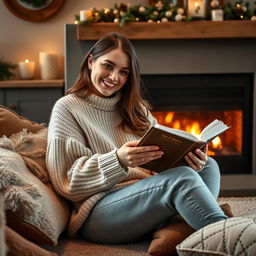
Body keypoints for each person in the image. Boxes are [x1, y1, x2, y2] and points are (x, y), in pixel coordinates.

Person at [46, 32, 228, 246]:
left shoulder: (135, 108)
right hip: (99, 213)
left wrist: (190, 158)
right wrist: (118, 160)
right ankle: (229, 238)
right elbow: (67, 182)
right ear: (90, 61)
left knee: (208, 166)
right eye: (108, 66)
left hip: (144, 197)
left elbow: (160, 158)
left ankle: (181, 225)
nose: (114, 77)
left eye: (123, 72)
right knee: (181, 179)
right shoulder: (68, 108)